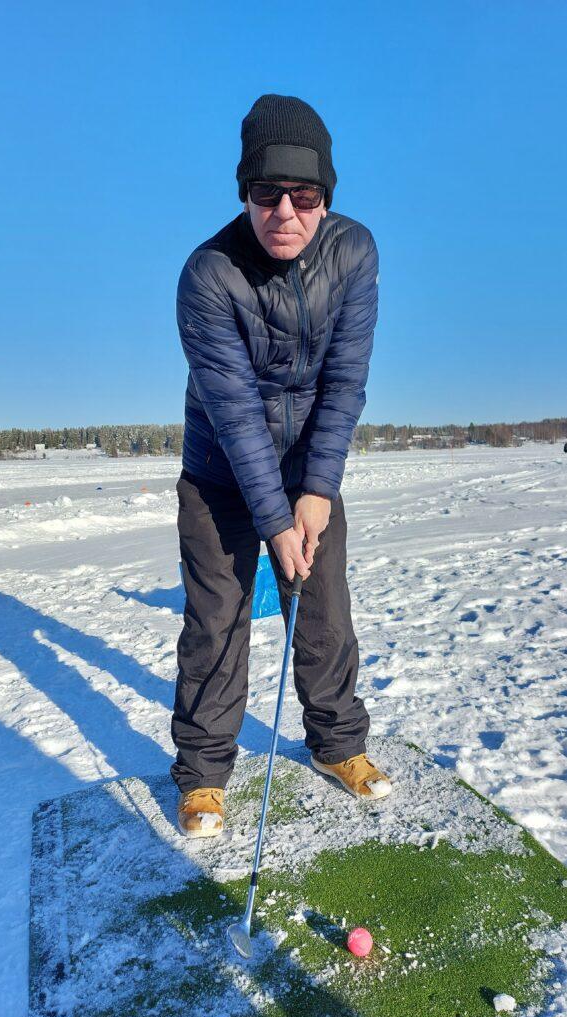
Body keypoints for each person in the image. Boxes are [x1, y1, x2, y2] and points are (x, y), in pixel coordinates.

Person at [172, 93, 392, 839]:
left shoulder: (355, 252)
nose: (285, 213)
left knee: (324, 613)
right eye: (268, 195)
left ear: (325, 200)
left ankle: (337, 746)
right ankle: (203, 774)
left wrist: (317, 491)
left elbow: (345, 381)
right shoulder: (208, 274)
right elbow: (233, 412)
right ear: (245, 195)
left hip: (307, 473)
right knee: (216, 623)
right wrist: (274, 520)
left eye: (305, 196)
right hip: (218, 472)